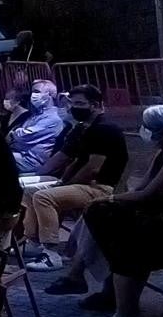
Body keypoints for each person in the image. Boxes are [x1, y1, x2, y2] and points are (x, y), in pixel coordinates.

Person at [62, 105, 163, 317]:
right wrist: (110, 200)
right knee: (98, 215)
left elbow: (147, 194)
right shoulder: (161, 152)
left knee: (124, 243)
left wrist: (110, 197)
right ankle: (108, 297)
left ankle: (124, 316)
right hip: (152, 215)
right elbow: (141, 189)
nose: (145, 131)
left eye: (149, 127)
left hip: (162, 223)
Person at [21, 85, 129, 271]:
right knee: (29, 190)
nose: (73, 108)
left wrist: (65, 185)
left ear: (95, 105)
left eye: (79, 103)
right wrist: (62, 181)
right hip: (85, 184)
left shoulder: (104, 129)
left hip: (100, 187)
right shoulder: (85, 128)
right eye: (72, 103)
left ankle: (51, 253)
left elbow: (93, 168)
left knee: (44, 197)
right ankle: (34, 240)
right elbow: (74, 159)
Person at [8, 80, 65, 174]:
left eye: (37, 92)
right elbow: (18, 137)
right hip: (21, 155)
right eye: (32, 92)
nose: (33, 95)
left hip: (32, 161)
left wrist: (15, 134)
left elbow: (23, 137)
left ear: (50, 94)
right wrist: (17, 135)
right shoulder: (35, 115)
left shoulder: (54, 118)